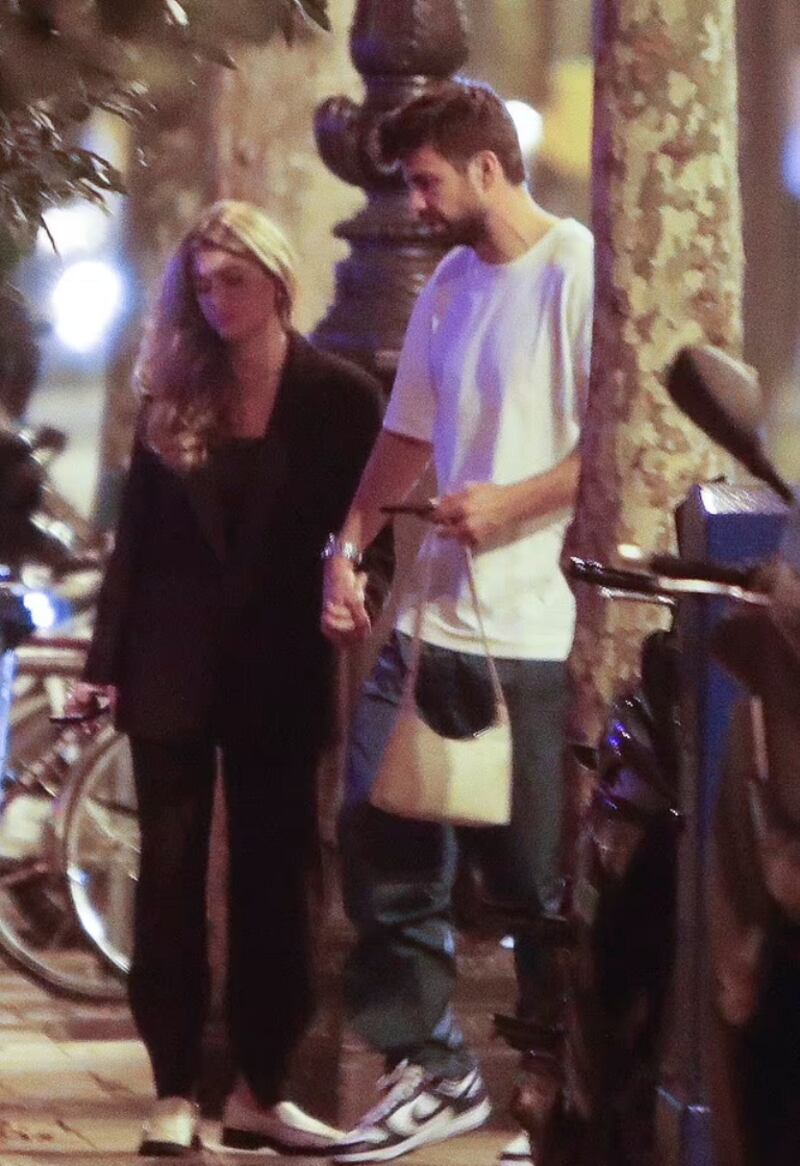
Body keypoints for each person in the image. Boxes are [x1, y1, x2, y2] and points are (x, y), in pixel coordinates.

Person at [68, 200, 393, 1158]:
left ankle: (261, 1086)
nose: (217, 300)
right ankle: (173, 1089)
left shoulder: (340, 397)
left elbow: (369, 532)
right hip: (170, 659)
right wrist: (103, 666)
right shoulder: (174, 393)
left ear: (277, 280)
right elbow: (136, 545)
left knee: (277, 875)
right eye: (202, 284)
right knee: (167, 877)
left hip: (279, 663)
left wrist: (356, 591)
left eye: (234, 280)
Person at [321, 79, 593, 1166]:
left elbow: (613, 443)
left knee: (532, 882)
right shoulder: (445, 282)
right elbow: (408, 432)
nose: (418, 204)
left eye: (428, 181)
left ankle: (555, 1093)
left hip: (532, 628)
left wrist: (511, 504)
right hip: (429, 616)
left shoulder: (575, 269)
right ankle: (432, 1069)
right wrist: (348, 541)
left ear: (487, 166)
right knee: (374, 831)